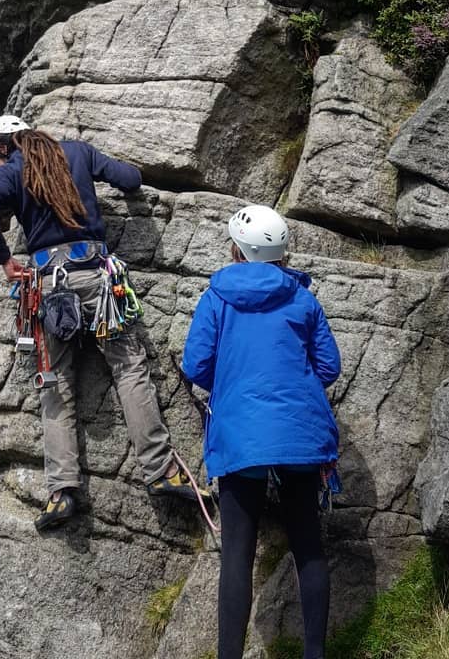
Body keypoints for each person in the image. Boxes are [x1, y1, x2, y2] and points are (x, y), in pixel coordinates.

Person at [0, 115, 201, 530]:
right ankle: (161, 471)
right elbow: (130, 179)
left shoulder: (12, 172)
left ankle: (61, 493)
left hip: (46, 285)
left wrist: (4, 260)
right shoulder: (76, 151)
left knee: (54, 383)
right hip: (97, 277)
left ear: (3, 146)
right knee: (129, 368)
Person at [182, 205, 341, 659]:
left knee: (237, 552)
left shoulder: (216, 297)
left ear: (238, 249)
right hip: (299, 434)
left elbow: (195, 365)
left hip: (240, 435)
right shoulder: (303, 299)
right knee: (308, 543)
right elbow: (329, 367)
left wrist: (230, 385)